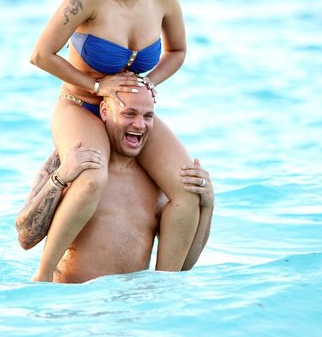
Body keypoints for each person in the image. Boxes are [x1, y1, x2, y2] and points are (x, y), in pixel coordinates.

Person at [29, 0, 201, 281]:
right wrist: (96, 84)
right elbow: (41, 54)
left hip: (128, 114)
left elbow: (177, 51)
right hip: (80, 105)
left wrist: (149, 83)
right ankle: (42, 276)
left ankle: (162, 285)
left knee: (187, 189)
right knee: (92, 178)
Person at [16, 87, 214, 283]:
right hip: (73, 297)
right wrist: (59, 178)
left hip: (132, 300)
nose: (139, 125)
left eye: (148, 116)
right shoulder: (75, 161)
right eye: (129, 114)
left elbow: (183, 266)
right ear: (105, 111)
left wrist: (207, 207)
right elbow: (25, 238)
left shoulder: (160, 182)